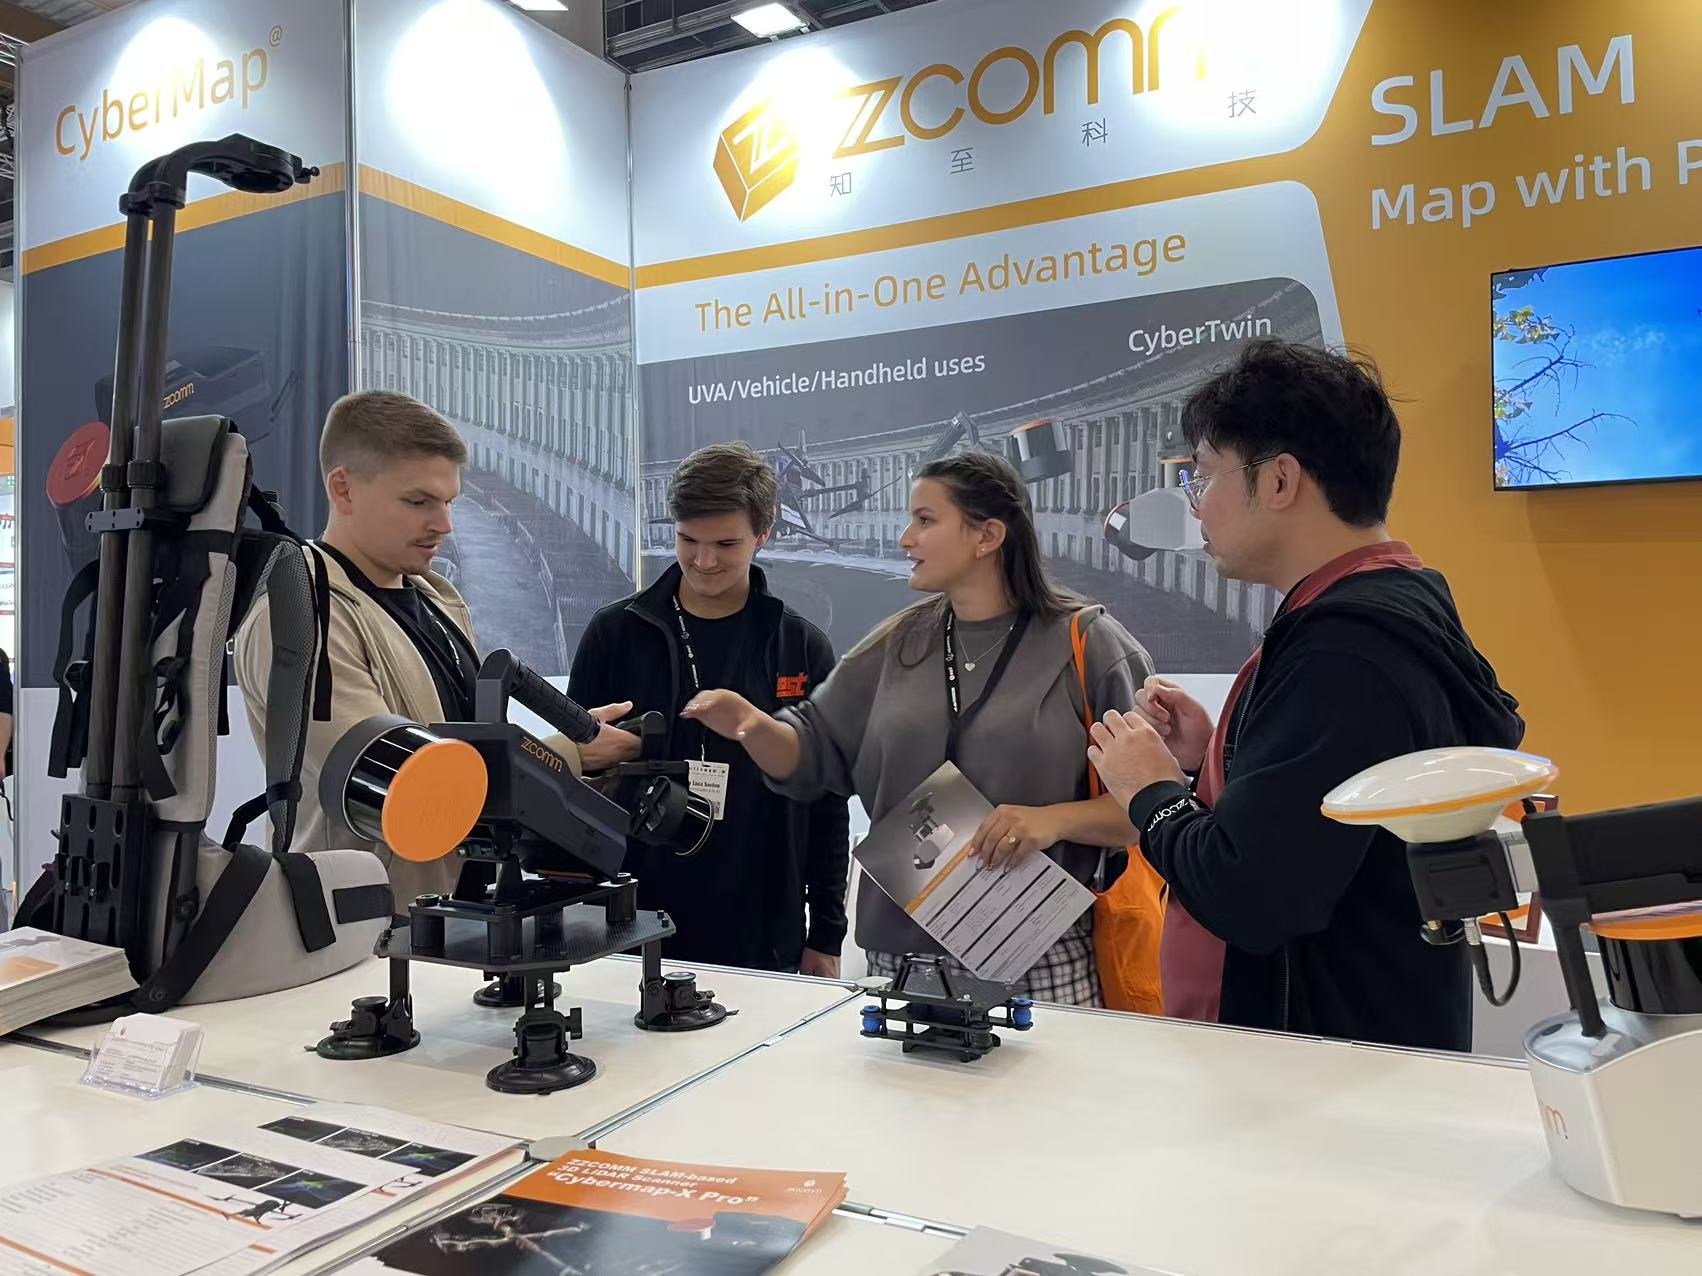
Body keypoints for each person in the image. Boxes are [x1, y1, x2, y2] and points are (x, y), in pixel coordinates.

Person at [1084, 339, 1524, 1051]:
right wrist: (1216, 758)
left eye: (1204, 477)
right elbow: (1317, 823)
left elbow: (1249, 897)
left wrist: (1150, 792)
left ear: (1280, 480)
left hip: (1314, 1061)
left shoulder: (1343, 647)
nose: (1197, 509)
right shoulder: (1388, 608)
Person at [681, 451, 1153, 1006]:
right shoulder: (897, 643)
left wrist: (1052, 821)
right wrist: (749, 725)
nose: (905, 538)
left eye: (925, 520)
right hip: (901, 959)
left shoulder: (1089, 645)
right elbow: (808, 754)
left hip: (1035, 956)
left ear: (987, 535)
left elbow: (1148, 809)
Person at [235, 390, 630, 902]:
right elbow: (412, 791)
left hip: (456, 910)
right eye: (419, 501)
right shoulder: (301, 616)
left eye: (448, 502)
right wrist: (567, 755)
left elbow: (462, 748)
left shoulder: (437, 601)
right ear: (343, 489)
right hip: (365, 924)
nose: (444, 524)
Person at [567, 442, 850, 977]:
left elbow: (828, 802)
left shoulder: (800, 647)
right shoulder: (615, 634)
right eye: (687, 540)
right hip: (630, 919)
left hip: (761, 924)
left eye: (726, 543)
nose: (704, 561)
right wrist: (599, 757)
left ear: (764, 534)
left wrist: (827, 934)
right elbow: (568, 790)